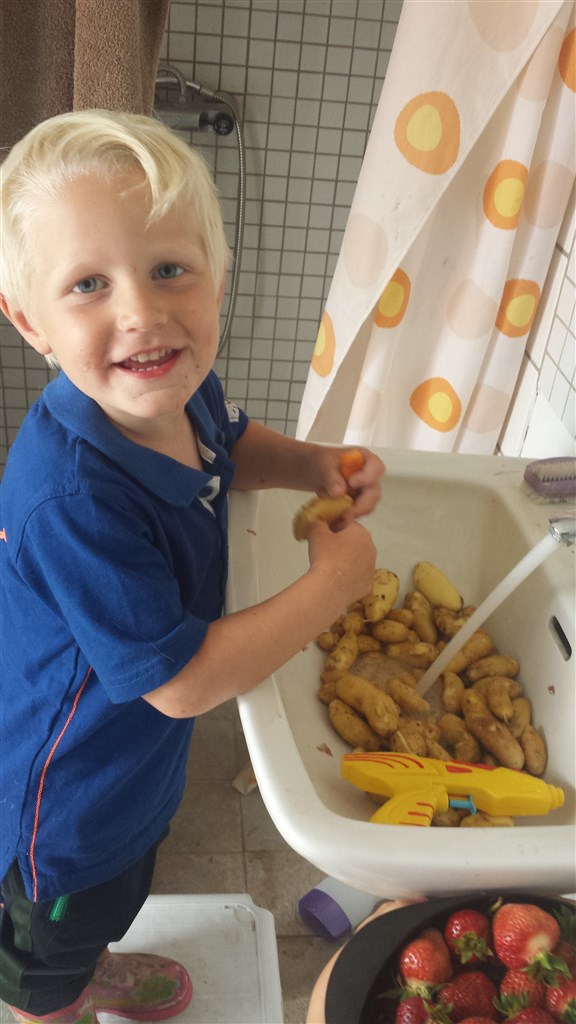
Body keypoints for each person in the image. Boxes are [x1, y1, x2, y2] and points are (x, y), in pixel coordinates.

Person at [0, 109, 384, 1024]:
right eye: (88, 284)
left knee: (116, 897)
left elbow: (232, 442)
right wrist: (332, 585)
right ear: (30, 322)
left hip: (129, 766)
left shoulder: (175, 390)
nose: (142, 312)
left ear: (219, 275)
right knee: (48, 959)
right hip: (68, 804)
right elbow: (180, 685)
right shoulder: (74, 498)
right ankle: (65, 997)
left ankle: (95, 964)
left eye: (170, 269)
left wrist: (312, 464)